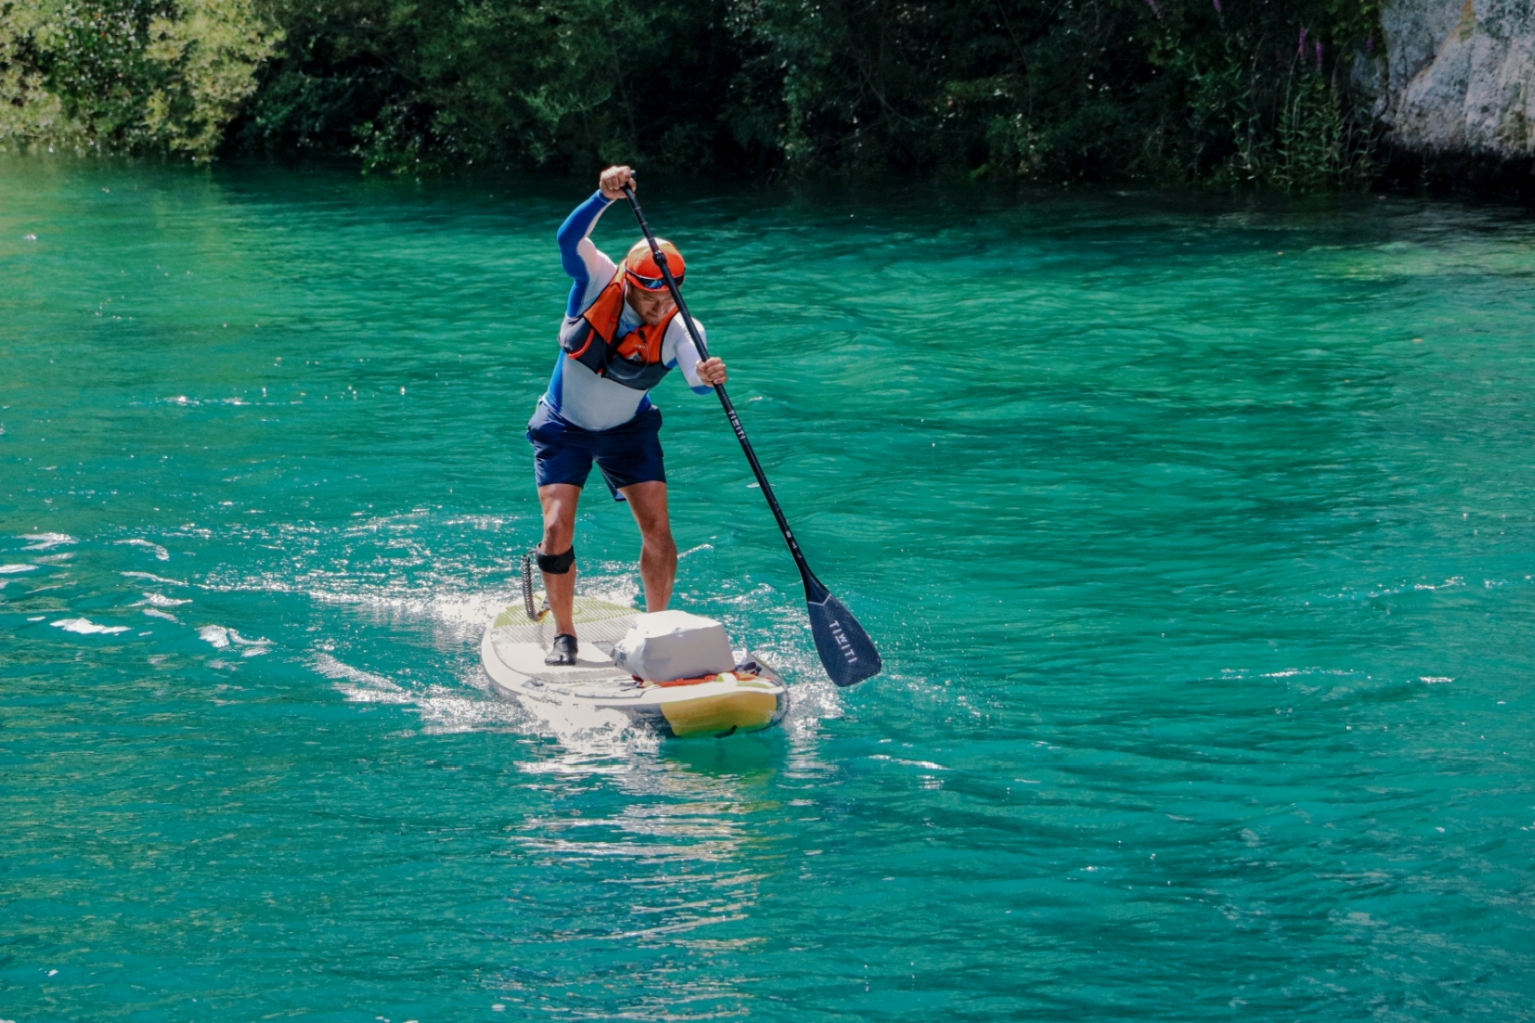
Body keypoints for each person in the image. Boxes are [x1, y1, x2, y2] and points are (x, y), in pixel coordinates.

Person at [527, 164, 727, 666]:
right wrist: (602, 197)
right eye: (649, 296)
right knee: (555, 530)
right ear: (630, 283)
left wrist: (708, 373)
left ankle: (657, 630)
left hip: (628, 432)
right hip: (563, 427)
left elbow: (698, 383)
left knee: (658, 531)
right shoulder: (597, 280)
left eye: (667, 296)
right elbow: (567, 239)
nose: (660, 306)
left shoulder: (683, 324)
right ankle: (565, 635)